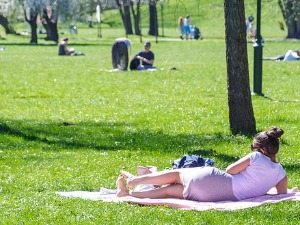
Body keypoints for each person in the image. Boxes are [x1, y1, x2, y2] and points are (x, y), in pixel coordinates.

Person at [116, 127, 287, 202]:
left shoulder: (256, 157)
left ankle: (136, 182)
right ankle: (129, 195)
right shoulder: (280, 173)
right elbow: (281, 194)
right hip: (213, 196)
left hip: (215, 180)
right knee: (169, 190)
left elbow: (230, 170)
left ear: (262, 150)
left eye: (253, 147)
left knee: (177, 175)